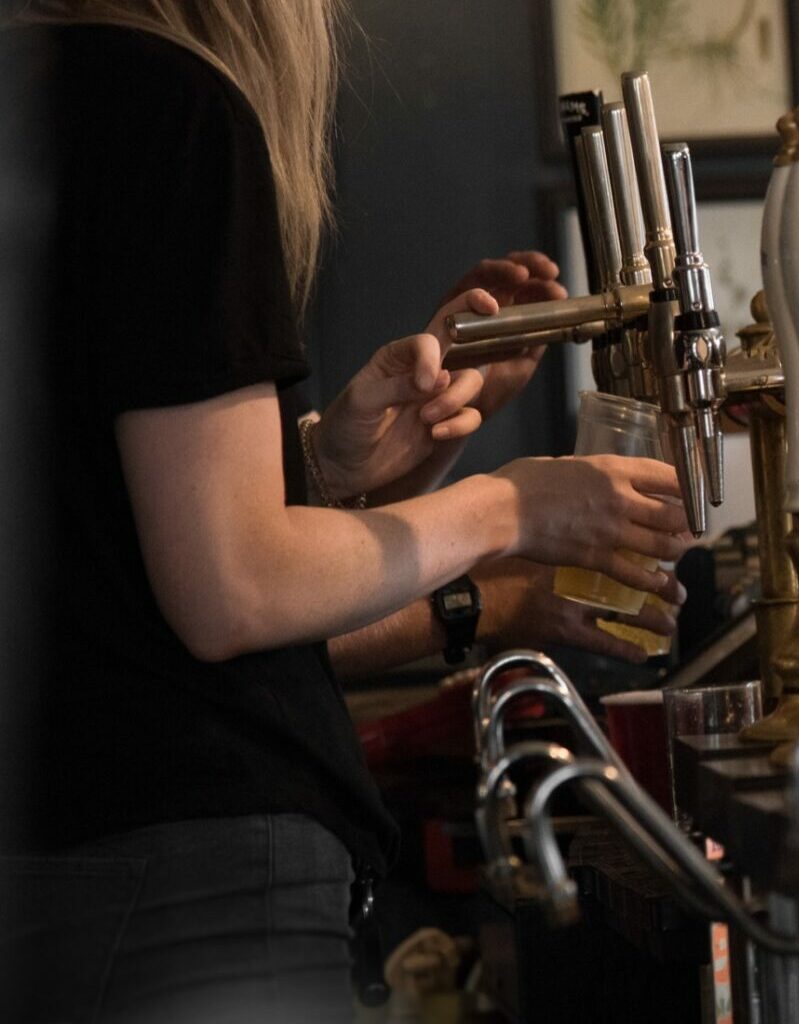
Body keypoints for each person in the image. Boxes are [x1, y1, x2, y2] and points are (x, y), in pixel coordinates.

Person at [1, 3, 686, 1020]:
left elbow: (101, 559)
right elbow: (231, 587)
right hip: (182, 881)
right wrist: (512, 508)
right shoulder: (171, 103)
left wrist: (331, 467)